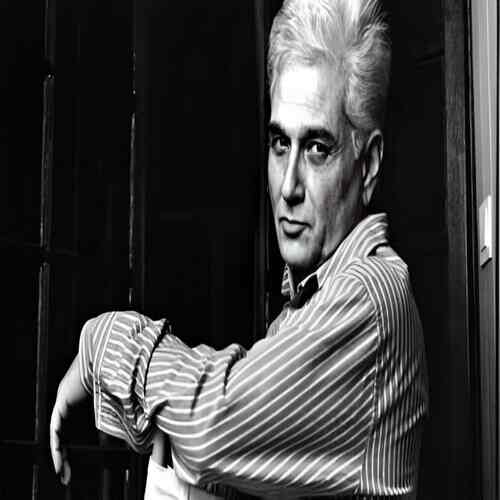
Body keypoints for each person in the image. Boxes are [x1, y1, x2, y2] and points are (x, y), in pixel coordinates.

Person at [50, 0, 429, 498]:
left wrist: (101, 347)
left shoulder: (369, 296)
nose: (288, 186)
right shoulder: (309, 304)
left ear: (369, 163)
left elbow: (213, 420)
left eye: (318, 148)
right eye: (279, 144)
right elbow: (216, 446)